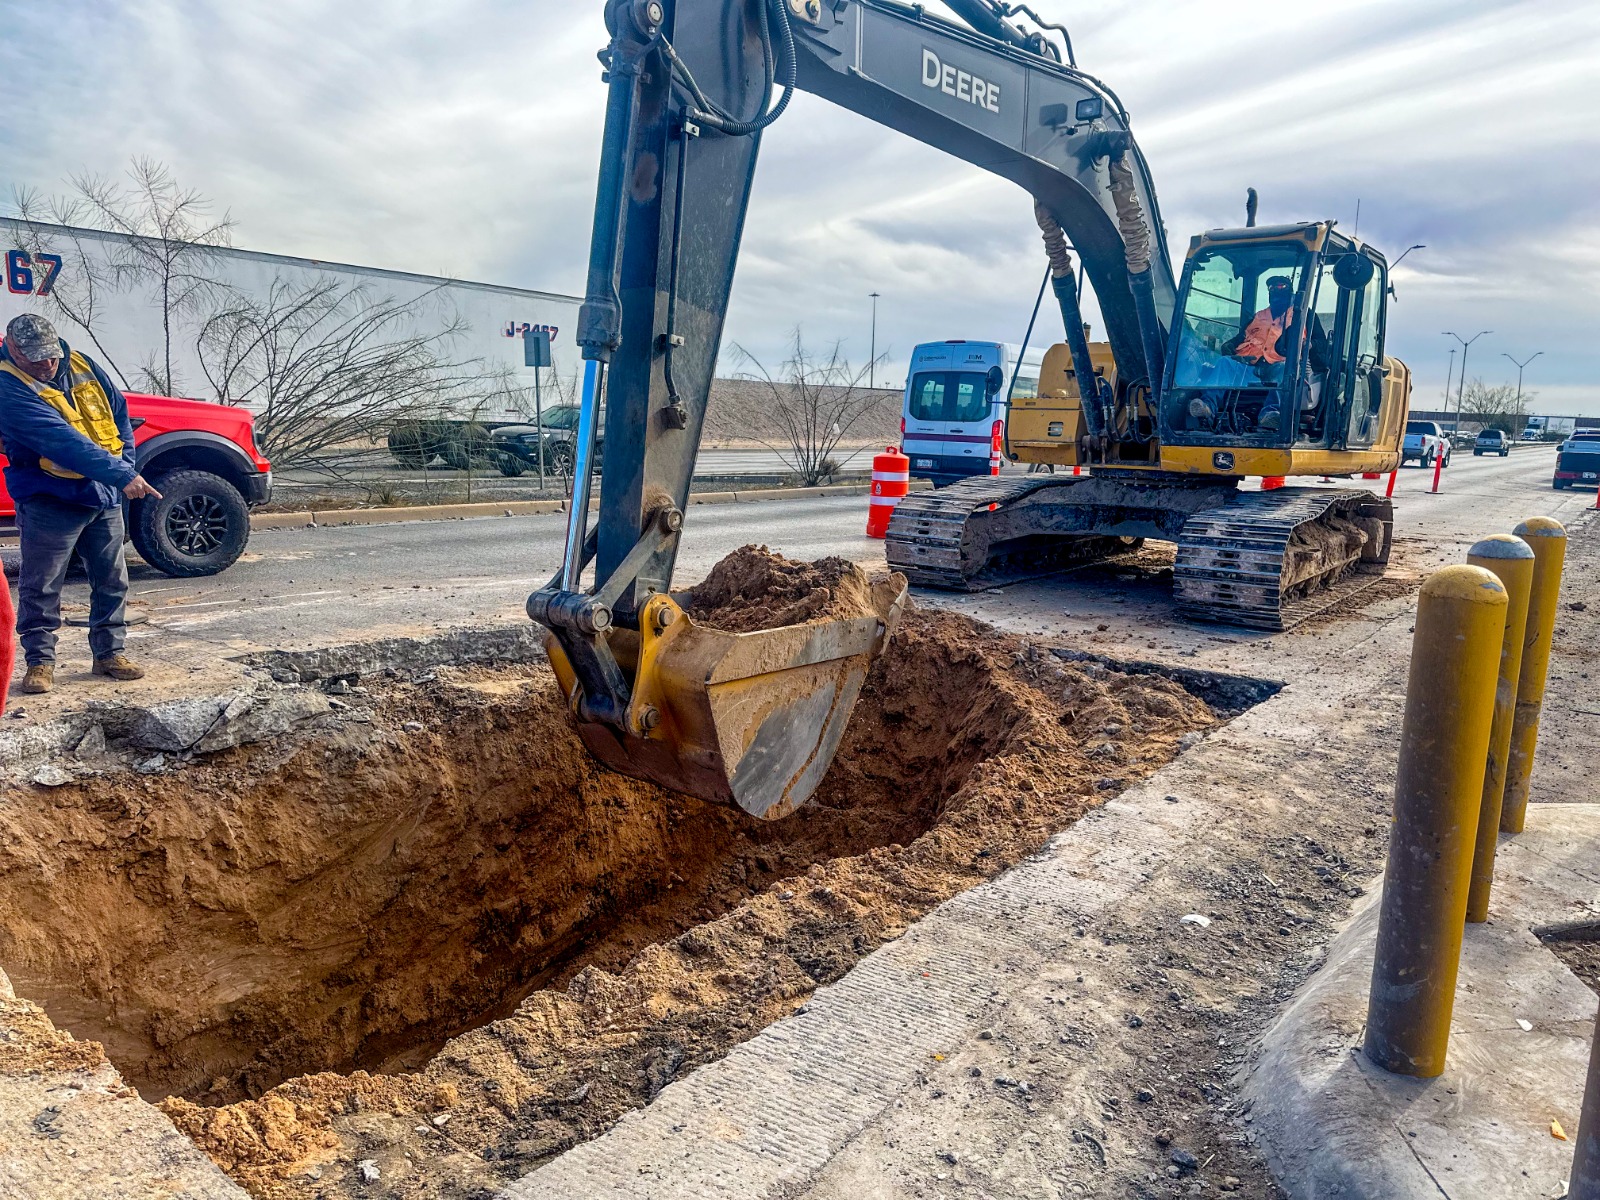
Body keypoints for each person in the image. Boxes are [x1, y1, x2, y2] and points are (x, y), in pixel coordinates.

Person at [0, 313, 162, 693]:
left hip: (101, 495)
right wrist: (123, 476)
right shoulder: (6, 385)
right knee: (42, 585)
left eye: (51, 355)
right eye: (35, 358)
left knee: (112, 579)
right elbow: (61, 440)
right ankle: (40, 662)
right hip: (49, 498)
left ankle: (109, 654)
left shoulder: (83, 364)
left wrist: (125, 466)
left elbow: (119, 417)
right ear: (11, 348)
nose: (46, 364)